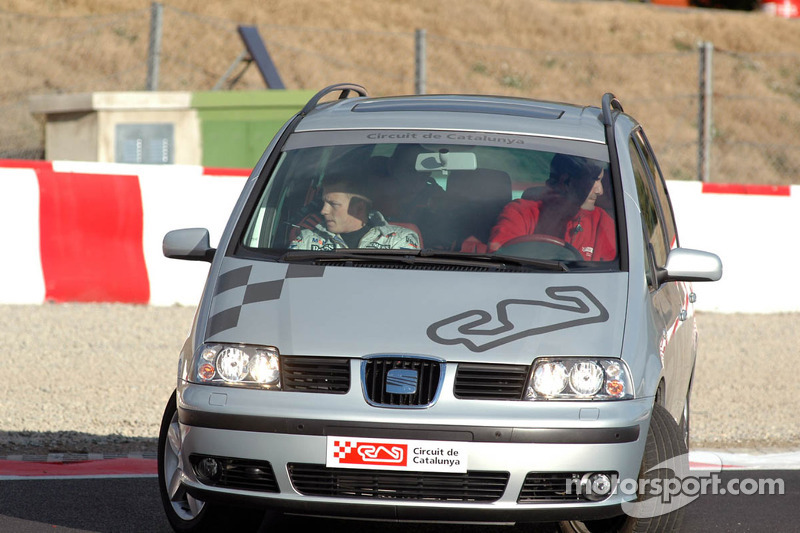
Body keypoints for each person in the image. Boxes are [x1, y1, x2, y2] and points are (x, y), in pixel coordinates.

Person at [488, 154, 616, 261]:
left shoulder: (601, 222)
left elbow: (614, 274)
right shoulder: (520, 212)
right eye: (594, 180)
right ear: (565, 182)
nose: (600, 191)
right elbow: (501, 261)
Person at [288, 171, 421, 251]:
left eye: (333, 204)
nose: (323, 211)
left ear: (359, 207)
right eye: (324, 202)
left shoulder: (398, 240)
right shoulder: (307, 240)